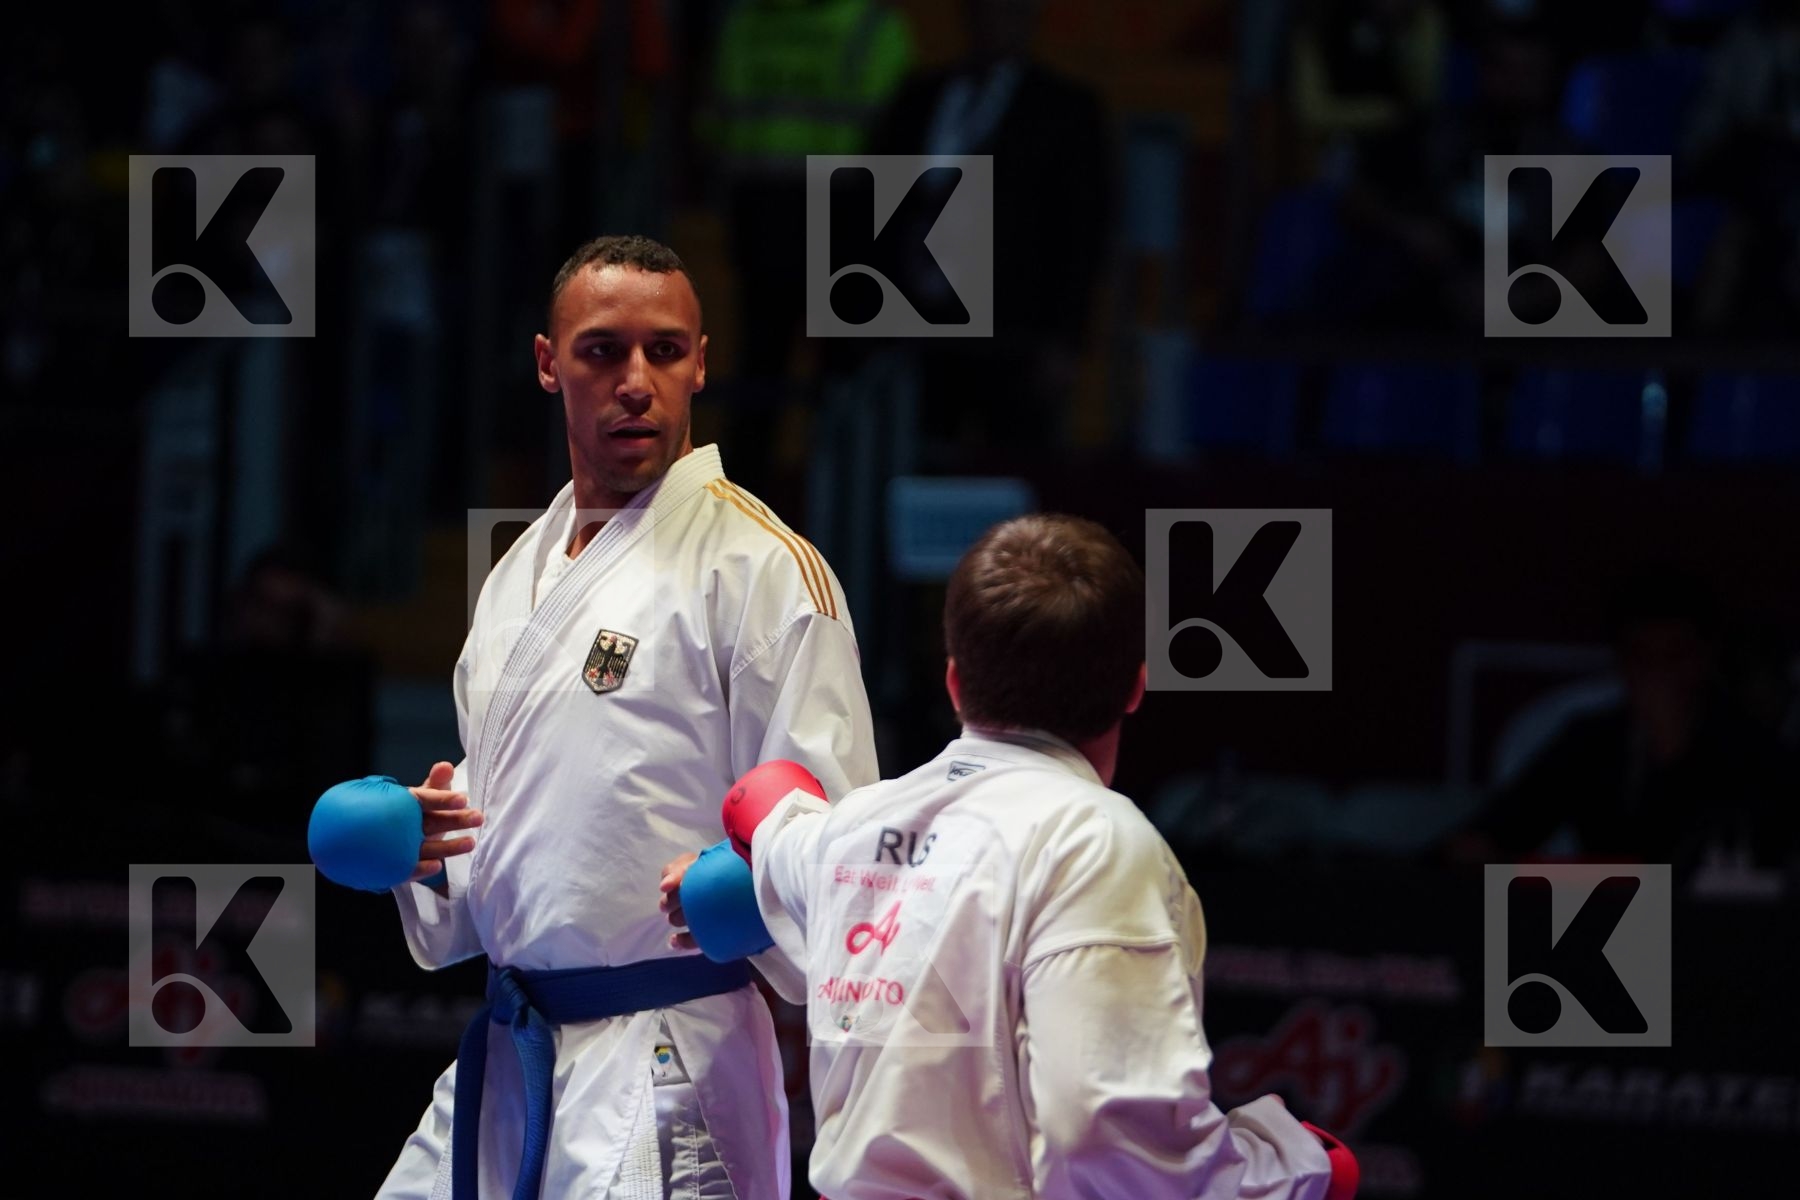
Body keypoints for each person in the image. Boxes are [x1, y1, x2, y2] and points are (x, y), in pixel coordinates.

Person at [375, 235, 880, 1200]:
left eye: (664, 350)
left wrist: (761, 896)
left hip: (670, 1062)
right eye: (604, 350)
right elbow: (498, 876)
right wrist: (430, 853)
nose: (636, 380)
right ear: (547, 363)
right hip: (517, 1050)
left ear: (702, 362)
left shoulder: (763, 570)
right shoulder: (518, 575)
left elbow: (841, 853)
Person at [661, 515, 1353, 1199]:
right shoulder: (1094, 843)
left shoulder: (851, 829)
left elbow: (778, 826)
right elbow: (1104, 1134)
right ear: (1136, 688)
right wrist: (1289, 1170)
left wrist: (704, 882)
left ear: (955, 682)